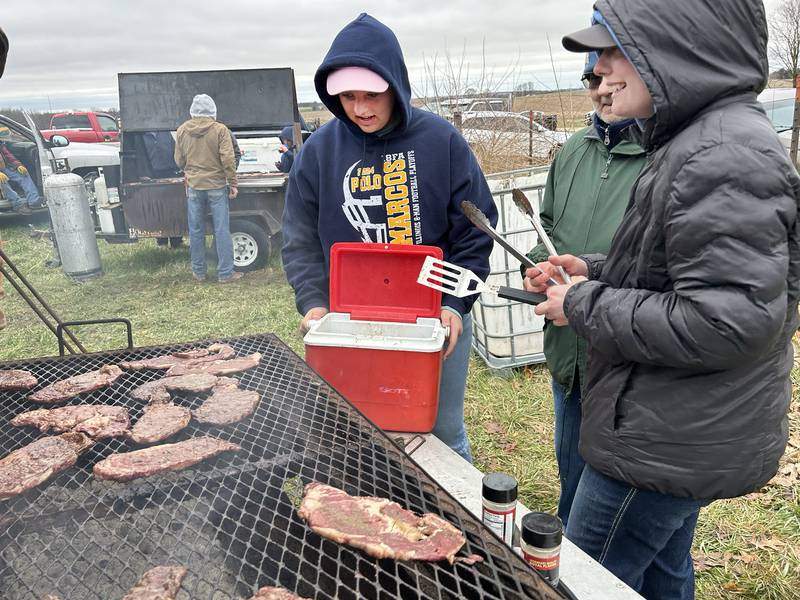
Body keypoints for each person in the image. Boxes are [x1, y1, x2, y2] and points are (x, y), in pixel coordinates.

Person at [525, 2, 800, 598]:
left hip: (662, 437)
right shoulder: (699, 140)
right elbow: (680, 273)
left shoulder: (720, 154)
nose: (598, 71)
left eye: (613, 50)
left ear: (676, 48)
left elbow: (727, 322)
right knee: (659, 575)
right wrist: (593, 269)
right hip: (675, 430)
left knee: (577, 582)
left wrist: (582, 303)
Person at [281, 13, 497, 461]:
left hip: (432, 319)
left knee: (442, 435)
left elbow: (475, 234)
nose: (360, 109)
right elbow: (299, 238)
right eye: (347, 97)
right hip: (350, 321)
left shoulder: (441, 141)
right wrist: (314, 304)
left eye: (371, 95)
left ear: (394, 85)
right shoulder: (319, 152)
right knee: (355, 436)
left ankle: (458, 526)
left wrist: (455, 307)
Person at [525, 51, 645, 527]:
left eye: (609, 77)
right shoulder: (572, 151)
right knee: (571, 478)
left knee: (621, 517)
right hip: (568, 352)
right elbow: (547, 225)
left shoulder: (665, 160)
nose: (601, 90)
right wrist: (538, 267)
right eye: (591, 79)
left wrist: (586, 293)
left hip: (626, 361)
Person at [174, 93, 242, 283]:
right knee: (221, 229)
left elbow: (178, 160)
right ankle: (226, 273)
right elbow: (228, 159)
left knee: (196, 230)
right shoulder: (220, 130)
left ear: (192, 110)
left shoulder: (181, 130)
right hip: (217, 186)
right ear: (213, 110)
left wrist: (188, 170)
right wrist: (233, 183)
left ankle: (199, 272)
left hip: (194, 187)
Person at [0, 126, 43, 215]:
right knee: (2, 181)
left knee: (23, 174)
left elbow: (8, 155)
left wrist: (18, 165)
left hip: (4, 168)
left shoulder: (1, 144)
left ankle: (33, 200)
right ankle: (18, 205)